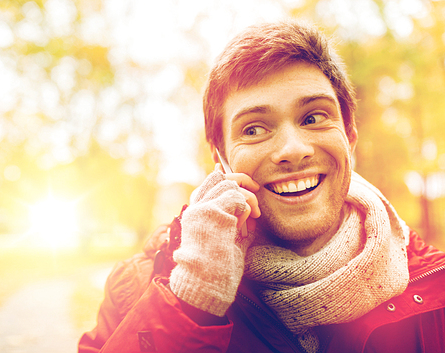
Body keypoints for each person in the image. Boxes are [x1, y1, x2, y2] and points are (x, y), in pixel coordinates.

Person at [78, 19, 445, 353]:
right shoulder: (136, 287)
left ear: (349, 137)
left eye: (313, 117)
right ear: (220, 157)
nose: (293, 150)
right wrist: (190, 305)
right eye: (254, 129)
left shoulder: (437, 290)